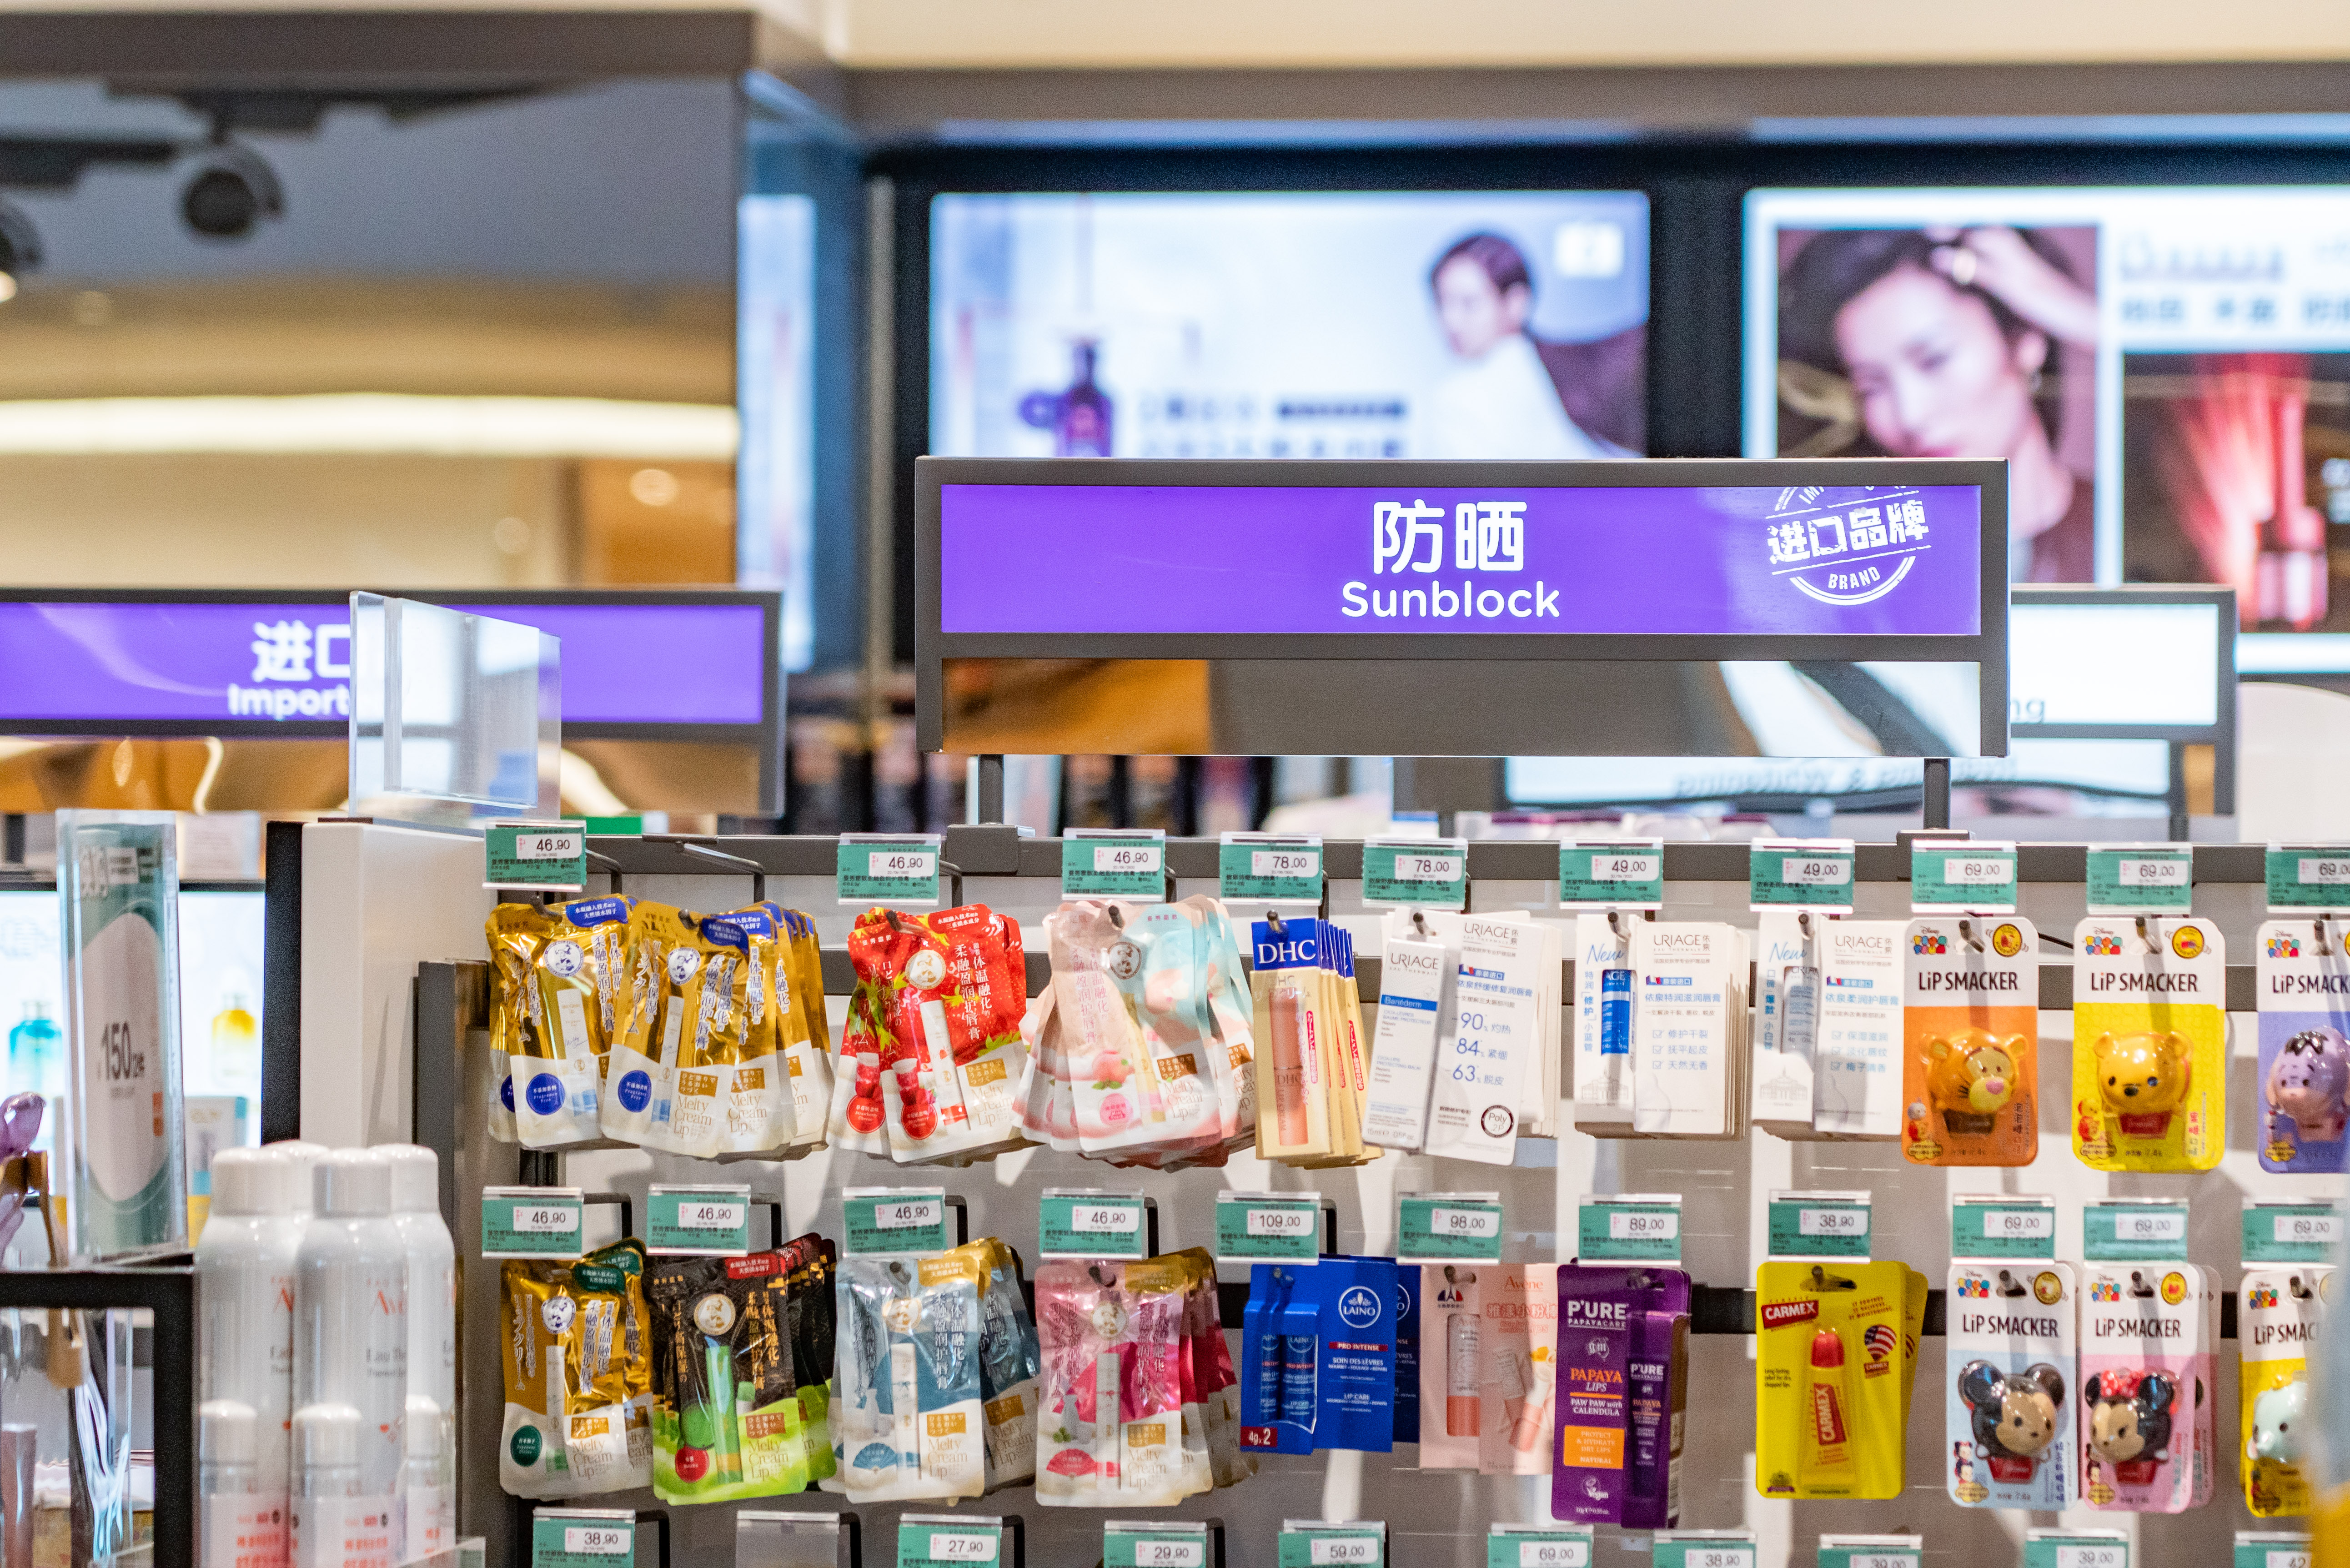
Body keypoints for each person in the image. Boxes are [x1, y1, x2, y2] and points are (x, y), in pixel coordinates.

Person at [1778, 226, 2099, 583]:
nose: (1911, 416)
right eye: (1871, 387)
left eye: (1935, 360)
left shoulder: (2123, 533)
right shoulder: (1852, 571)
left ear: (2024, 339)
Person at [1424, 232, 1623, 460]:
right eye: (1441, 303)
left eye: (1469, 303)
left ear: (1516, 302)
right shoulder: (1554, 373)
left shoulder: (1459, 399)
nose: (1450, 321)